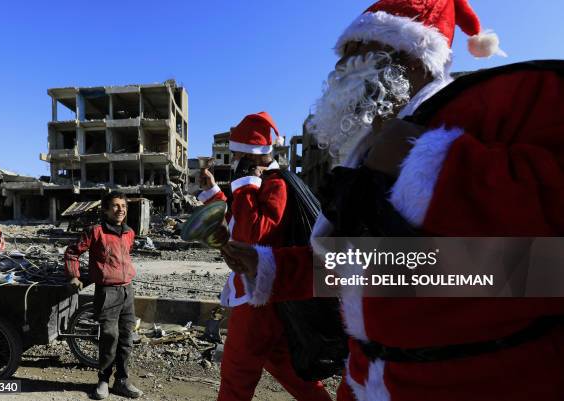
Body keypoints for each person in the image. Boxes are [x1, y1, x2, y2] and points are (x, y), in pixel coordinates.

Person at [221, 1, 564, 400]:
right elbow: (387, 267)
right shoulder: (369, 150)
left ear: (411, 58)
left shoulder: (507, 101)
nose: (338, 72)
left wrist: (433, 166)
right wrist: (270, 268)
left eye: (356, 55)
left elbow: (537, 266)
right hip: (372, 381)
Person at [199, 112, 332, 401]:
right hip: (265, 297)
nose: (233, 160)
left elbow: (253, 235)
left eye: (236, 155)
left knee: (236, 377)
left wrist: (246, 184)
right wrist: (212, 191)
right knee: (289, 371)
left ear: (250, 156)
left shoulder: (274, 184)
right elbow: (235, 221)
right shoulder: (256, 184)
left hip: (256, 301)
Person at [64, 192, 143, 400]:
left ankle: (122, 380)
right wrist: (74, 275)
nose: (120, 210)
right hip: (107, 292)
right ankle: (103, 380)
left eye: (123, 206)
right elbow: (72, 252)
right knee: (110, 337)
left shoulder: (129, 233)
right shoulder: (95, 231)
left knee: (127, 338)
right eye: (115, 206)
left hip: (127, 290)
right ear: (106, 210)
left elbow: (125, 254)